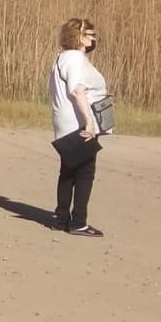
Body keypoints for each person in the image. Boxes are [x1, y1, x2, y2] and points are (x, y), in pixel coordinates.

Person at [50, 18, 110, 237]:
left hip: (64, 122)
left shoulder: (63, 57)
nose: (94, 39)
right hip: (78, 123)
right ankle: (78, 222)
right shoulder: (75, 59)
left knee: (68, 170)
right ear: (80, 37)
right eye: (91, 35)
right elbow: (77, 91)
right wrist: (89, 122)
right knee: (85, 172)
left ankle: (61, 217)